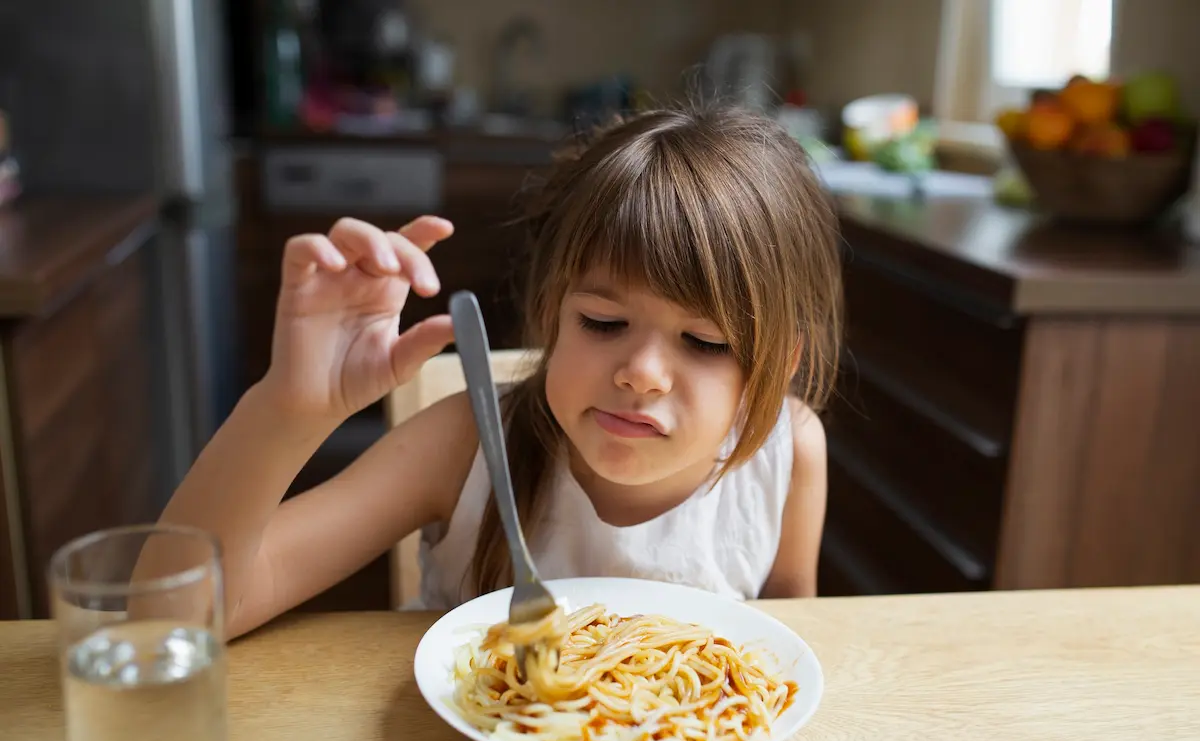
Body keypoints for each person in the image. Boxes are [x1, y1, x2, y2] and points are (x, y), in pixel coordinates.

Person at [157, 103, 843, 640]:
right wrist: (287, 409)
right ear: (551, 311)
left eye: (704, 341)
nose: (641, 374)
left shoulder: (788, 451)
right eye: (603, 324)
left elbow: (786, 634)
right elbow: (174, 617)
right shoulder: (464, 446)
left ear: (775, 367)